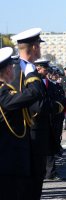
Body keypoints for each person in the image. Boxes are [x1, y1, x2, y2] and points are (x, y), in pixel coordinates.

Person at [11, 28, 66, 199]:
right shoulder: (28, 72)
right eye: (38, 46)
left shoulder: (15, 70)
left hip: (21, 137)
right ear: (34, 48)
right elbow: (40, 106)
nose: (40, 49)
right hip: (33, 136)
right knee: (32, 186)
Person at [0, 47, 45, 199]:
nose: (14, 70)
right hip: (9, 162)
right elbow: (34, 94)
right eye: (12, 67)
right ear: (7, 70)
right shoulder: (3, 93)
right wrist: (31, 74)